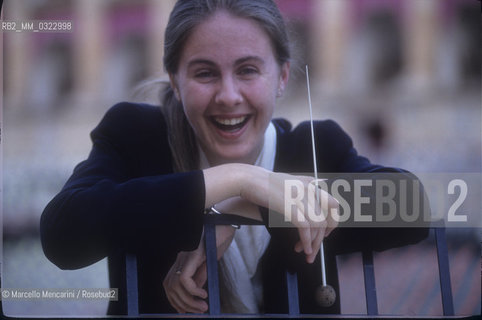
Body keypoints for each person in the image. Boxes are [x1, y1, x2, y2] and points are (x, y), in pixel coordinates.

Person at [40, 0, 428, 316]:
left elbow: (413, 206)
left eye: (247, 70)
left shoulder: (316, 146)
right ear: (175, 82)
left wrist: (242, 206)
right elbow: (62, 235)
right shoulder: (136, 135)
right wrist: (239, 179)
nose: (228, 96)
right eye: (205, 73)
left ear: (282, 76)